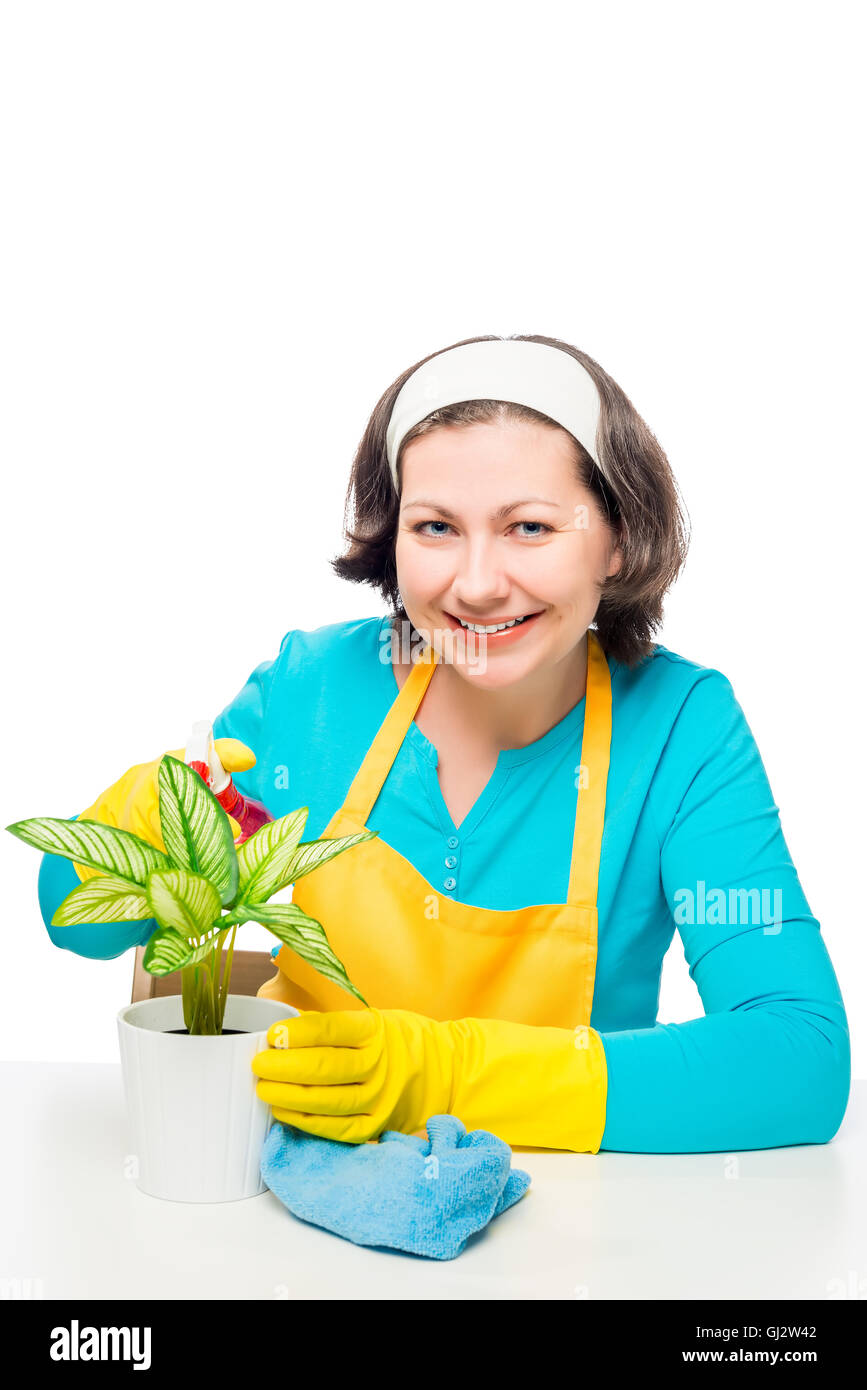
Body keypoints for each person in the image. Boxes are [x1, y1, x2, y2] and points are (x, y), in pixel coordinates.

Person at [37, 333, 850, 1154]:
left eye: (529, 527)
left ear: (614, 539)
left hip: (576, 1236)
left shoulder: (680, 726)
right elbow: (76, 924)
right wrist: (144, 821)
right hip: (290, 1203)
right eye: (434, 528)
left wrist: (444, 1075)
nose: (476, 583)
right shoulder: (310, 692)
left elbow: (801, 1062)